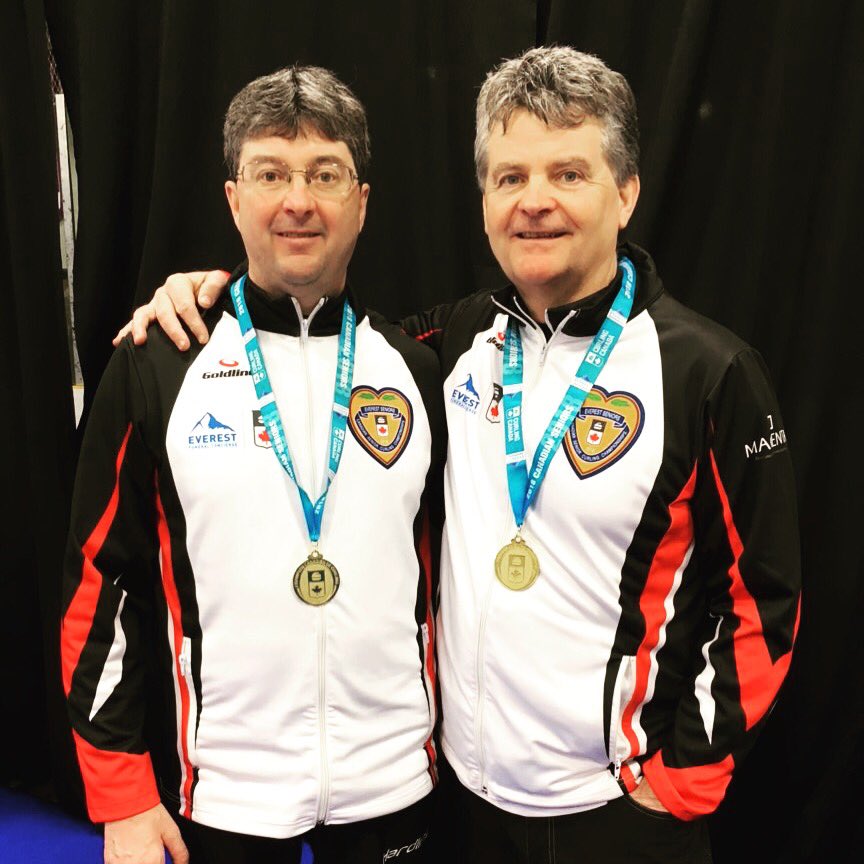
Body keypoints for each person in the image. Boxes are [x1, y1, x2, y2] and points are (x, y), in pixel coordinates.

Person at [121, 47, 800, 863]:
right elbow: (315, 336)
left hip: (619, 810)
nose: (535, 202)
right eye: (510, 177)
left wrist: (686, 776)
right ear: (483, 201)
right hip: (463, 802)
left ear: (626, 193)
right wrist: (209, 291)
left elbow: (766, 596)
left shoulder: (708, 370)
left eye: (568, 173)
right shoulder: (453, 344)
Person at [63, 66, 444, 864]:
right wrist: (122, 793)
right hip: (223, 793)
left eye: (325, 174)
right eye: (271, 173)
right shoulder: (158, 362)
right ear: (234, 198)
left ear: (362, 202)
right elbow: (102, 581)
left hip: (398, 785)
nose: (297, 200)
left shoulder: (419, 369)